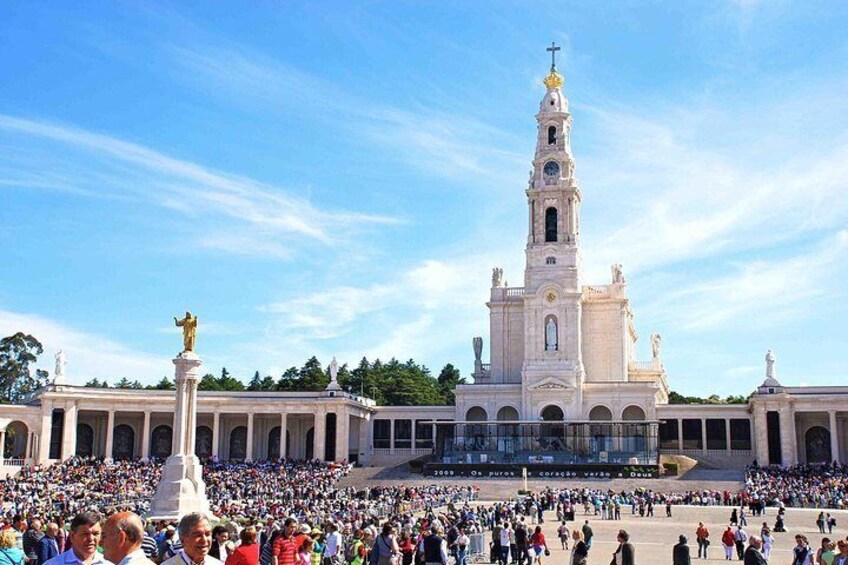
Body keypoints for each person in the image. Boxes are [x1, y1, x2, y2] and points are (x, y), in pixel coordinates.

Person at [44, 512, 110, 565]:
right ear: (72, 536)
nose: (91, 538)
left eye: (95, 534)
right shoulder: (53, 563)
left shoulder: (108, 563)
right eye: (85, 534)